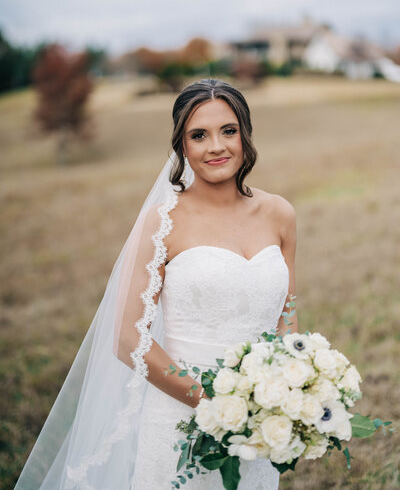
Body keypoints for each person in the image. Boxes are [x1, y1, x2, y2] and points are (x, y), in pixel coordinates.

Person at [14, 78, 297, 490]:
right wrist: (216, 405)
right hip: (179, 422)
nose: (216, 146)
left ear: (245, 134)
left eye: (228, 131)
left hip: (260, 425)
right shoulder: (162, 223)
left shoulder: (280, 214)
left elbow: (287, 311)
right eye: (199, 135)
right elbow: (129, 339)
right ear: (182, 146)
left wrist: (286, 388)